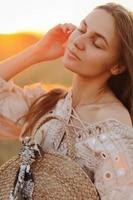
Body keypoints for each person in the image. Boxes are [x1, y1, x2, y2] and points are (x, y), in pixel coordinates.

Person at [0, 2, 133, 199]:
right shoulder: (51, 102)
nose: (79, 42)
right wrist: (38, 51)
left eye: (97, 43)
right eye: (82, 29)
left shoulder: (112, 135)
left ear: (117, 66)